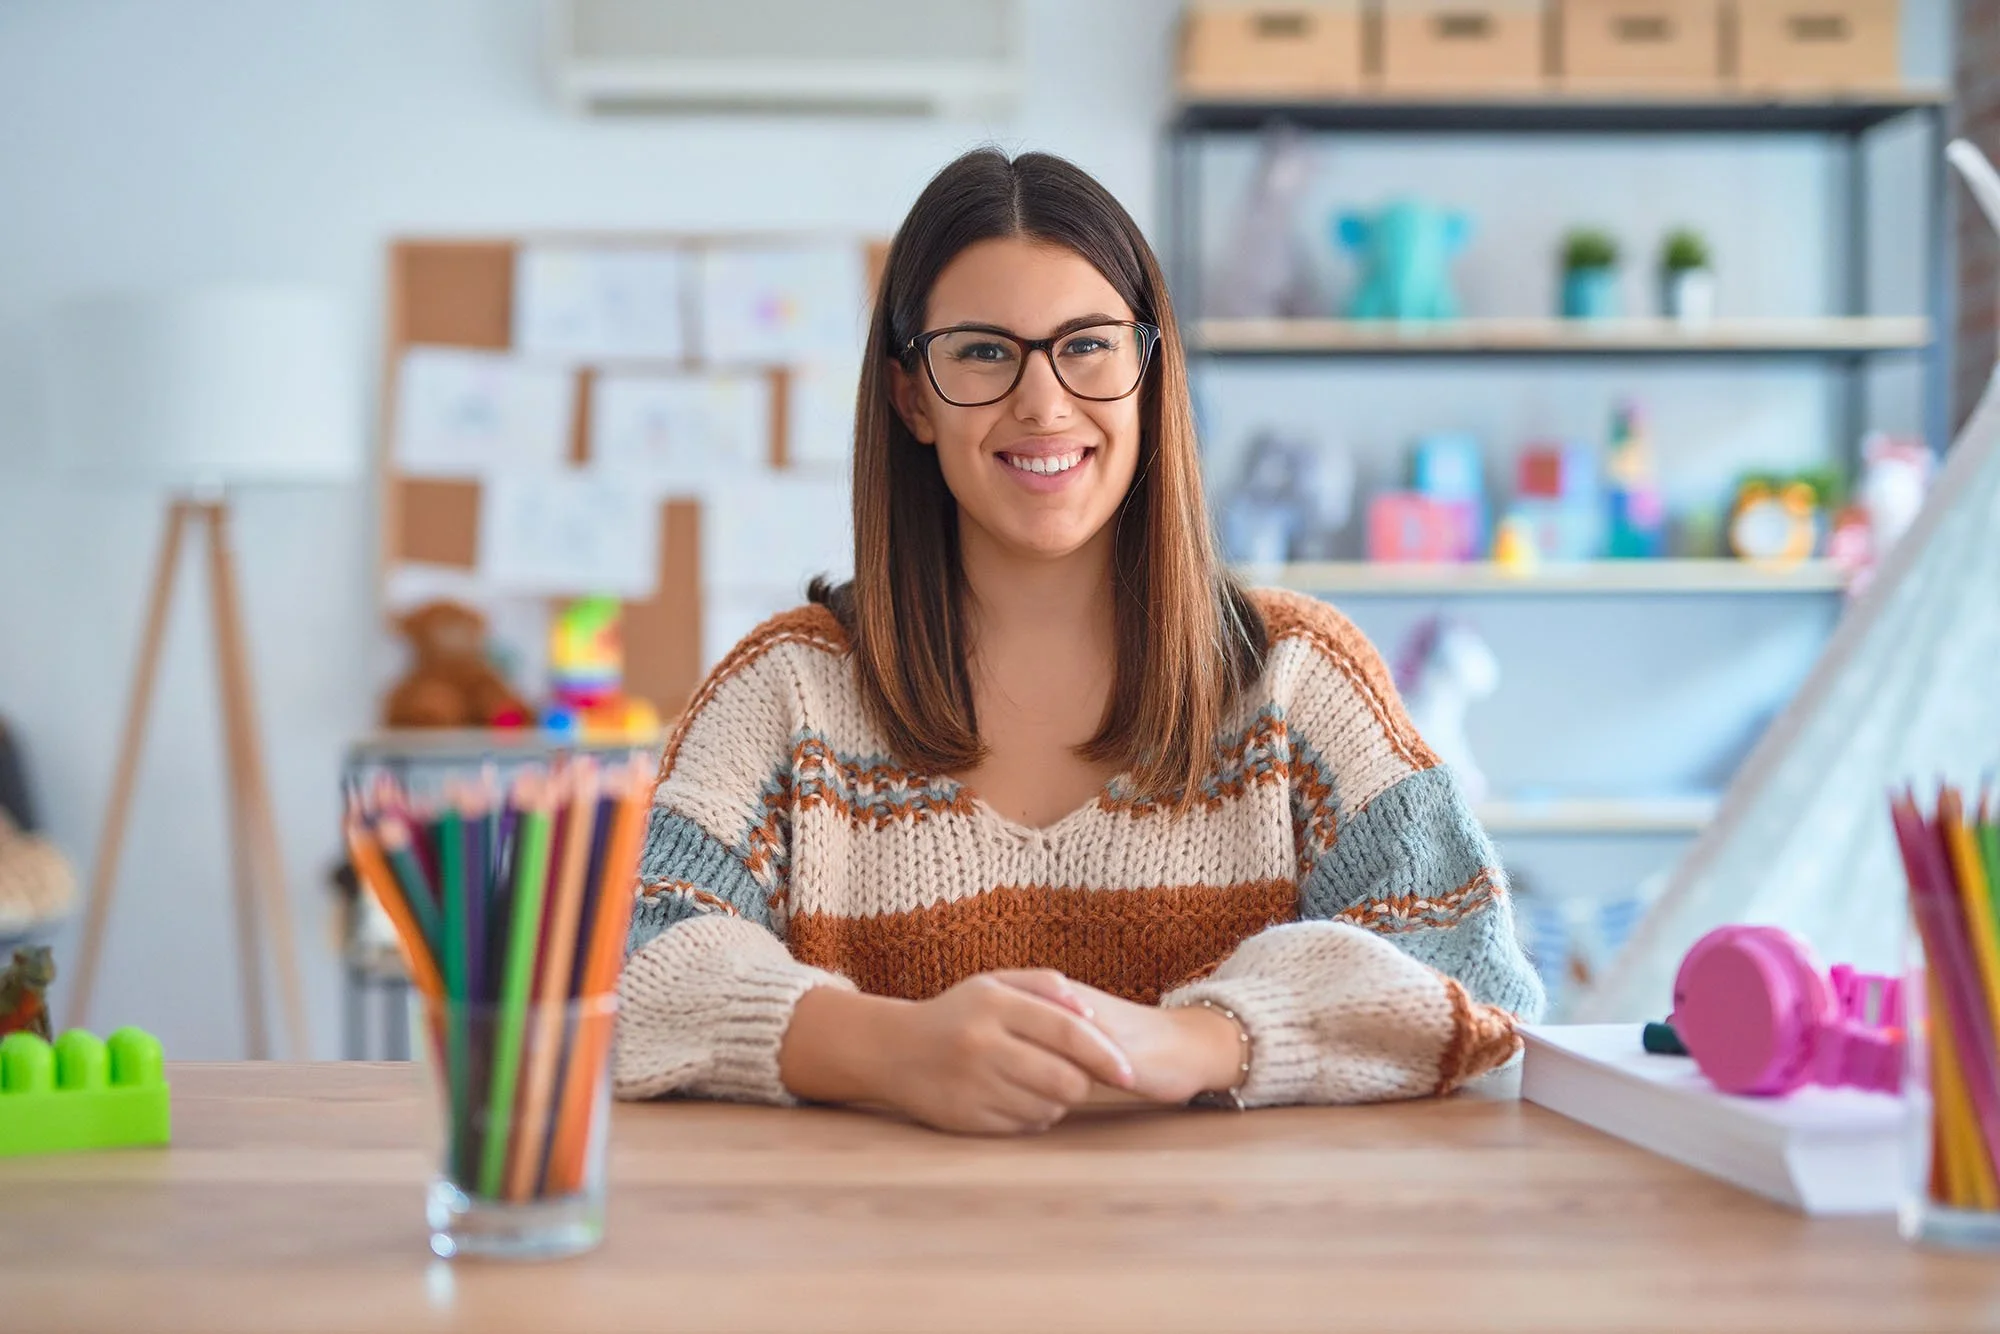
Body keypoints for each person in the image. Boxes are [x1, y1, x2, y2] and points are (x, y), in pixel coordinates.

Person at [614, 148, 1544, 1135]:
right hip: (877, 1270)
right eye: (981, 351)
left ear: (1150, 371)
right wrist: (897, 1049)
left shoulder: (1297, 680)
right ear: (910, 397)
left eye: (1087, 345)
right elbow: (625, 969)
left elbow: (1470, 975)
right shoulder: (785, 692)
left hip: (1229, 1274)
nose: (1042, 403)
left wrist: (1185, 1042)